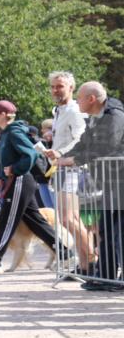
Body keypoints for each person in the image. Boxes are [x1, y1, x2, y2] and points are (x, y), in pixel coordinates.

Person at [0, 100, 67, 274]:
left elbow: (30, 154)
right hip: (19, 181)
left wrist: (15, 170)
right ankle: (66, 253)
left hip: (20, 181)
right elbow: (11, 159)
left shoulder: (13, 131)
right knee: (37, 222)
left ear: (3, 114)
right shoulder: (8, 133)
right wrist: (3, 176)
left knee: (6, 222)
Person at [56, 81, 124, 290]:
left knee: (119, 232)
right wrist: (62, 155)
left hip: (120, 180)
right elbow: (84, 142)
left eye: (79, 97)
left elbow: (107, 146)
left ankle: (115, 280)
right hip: (112, 182)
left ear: (91, 99)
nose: (76, 100)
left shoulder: (114, 116)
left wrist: (76, 161)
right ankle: (105, 276)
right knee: (105, 230)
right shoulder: (97, 116)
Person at [41, 71, 92, 273]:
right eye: (53, 86)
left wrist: (60, 152)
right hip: (60, 168)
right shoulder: (59, 111)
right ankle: (85, 264)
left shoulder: (73, 110)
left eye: (60, 86)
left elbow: (80, 139)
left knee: (70, 219)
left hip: (72, 168)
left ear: (71, 87)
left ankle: (92, 261)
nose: (55, 90)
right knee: (67, 220)